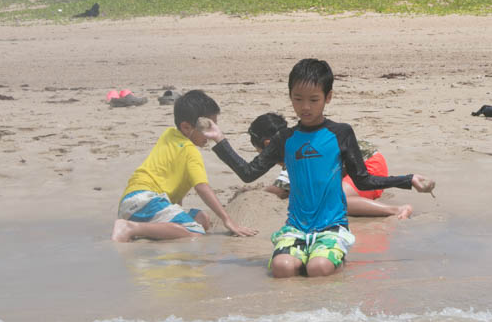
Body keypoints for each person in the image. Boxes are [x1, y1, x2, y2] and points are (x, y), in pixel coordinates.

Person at [207, 58, 436, 278]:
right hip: (296, 227)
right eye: (298, 99)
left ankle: (334, 257)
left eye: (313, 100)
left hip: (331, 226)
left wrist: (408, 179)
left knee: (318, 269)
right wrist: (220, 140)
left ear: (328, 97)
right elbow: (249, 173)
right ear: (290, 97)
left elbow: (363, 180)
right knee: (282, 269)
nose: (305, 107)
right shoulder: (284, 138)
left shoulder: (340, 133)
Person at [111, 90, 258, 241]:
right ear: (186, 127)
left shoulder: (169, 134)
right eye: (208, 127)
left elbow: (174, 187)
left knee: (202, 219)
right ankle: (131, 228)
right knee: (194, 231)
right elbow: (202, 187)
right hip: (146, 201)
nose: (212, 133)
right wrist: (228, 220)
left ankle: (143, 230)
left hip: (131, 203)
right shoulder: (190, 151)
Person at [248, 112, 413, 219]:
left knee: (334, 201)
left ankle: (396, 210)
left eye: (261, 153)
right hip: (370, 162)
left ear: (268, 144)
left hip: (370, 166)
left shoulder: (294, 150)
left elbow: (280, 190)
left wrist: (253, 192)